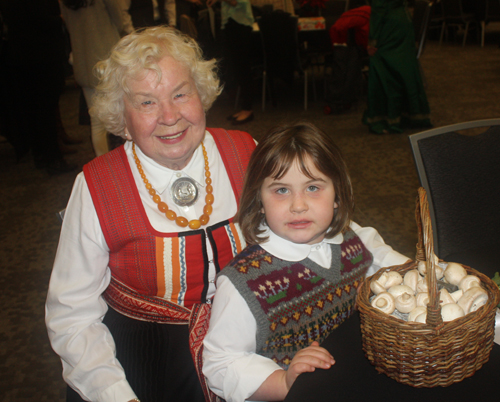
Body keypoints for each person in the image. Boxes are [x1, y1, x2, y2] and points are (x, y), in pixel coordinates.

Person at [45, 26, 256, 402]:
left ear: (201, 94)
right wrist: (116, 394)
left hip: (250, 347)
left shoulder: (246, 150)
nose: (170, 116)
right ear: (122, 119)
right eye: (146, 102)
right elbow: (72, 316)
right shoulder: (96, 185)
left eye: (180, 93)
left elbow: (311, 225)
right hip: (147, 365)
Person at [202, 122, 411, 401]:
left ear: (337, 194)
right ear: (259, 200)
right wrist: (284, 381)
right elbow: (221, 363)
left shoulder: (353, 237)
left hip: (351, 380)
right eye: (281, 190)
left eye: (313, 187)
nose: (298, 205)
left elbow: (394, 266)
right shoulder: (244, 283)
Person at [60, 0, 134, 156]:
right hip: (107, 58)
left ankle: (104, 163)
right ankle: (131, 160)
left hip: (83, 62)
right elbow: (119, 22)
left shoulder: (65, 2)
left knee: (97, 123)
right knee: (126, 112)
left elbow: (67, 26)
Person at [362, 0, 431, 134]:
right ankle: (411, 114)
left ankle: (388, 118)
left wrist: (372, 41)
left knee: (384, 70)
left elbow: (378, 9)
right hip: (403, 23)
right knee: (404, 70)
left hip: (389, 28)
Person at [207, 0, 255, 125]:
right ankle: (245, 107)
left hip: (240, 25)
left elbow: (233, 2)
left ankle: (247, 109)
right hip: (232, 25)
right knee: (238, 69)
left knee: (243, 68)